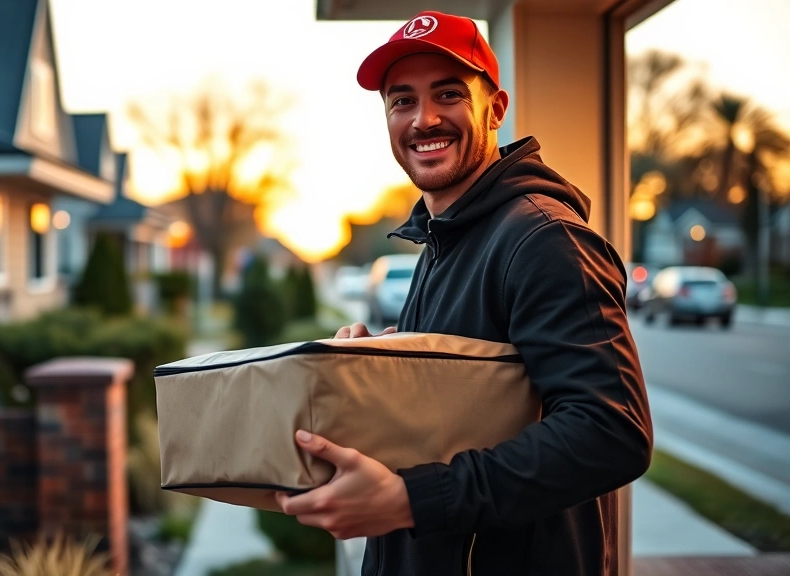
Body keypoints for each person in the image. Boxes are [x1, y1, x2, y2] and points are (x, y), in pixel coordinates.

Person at [274, 11, 653, 576]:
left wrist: (411, 499)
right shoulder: (443, 241)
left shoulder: (545, 241)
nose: (423, 119)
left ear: (495, 109)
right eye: (401, 101)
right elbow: (466, 407)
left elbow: (611, 431)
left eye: (447, 94)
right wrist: (376, 371)